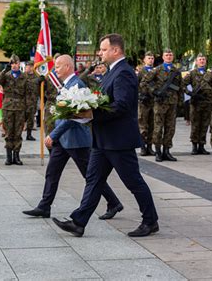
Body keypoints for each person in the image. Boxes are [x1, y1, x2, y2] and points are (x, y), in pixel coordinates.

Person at [52, 34, 159, 238]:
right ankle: (78, 222)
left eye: (103, 49)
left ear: (116, 50)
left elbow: (121, 106)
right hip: (102, 139)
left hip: (118, 140)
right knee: (93, 180)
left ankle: (150, 221)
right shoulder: (113, 71)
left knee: (133, 181)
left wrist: (91, 113)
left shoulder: (124, 73)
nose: (100, 53)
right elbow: (102, 99)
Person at [23, 55, 123, 219]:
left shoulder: (76, 84)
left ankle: (113, 202)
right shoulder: (67, 84)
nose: (55, 70)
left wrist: (53, 135)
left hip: (76, 140)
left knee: (90, 176)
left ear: (68, 67)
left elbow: (74, 116)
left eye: (58, 66)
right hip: (63, 140)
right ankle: (44, 206)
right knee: (52, 173)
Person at [143, 48, 182, 162]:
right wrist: (154, 91)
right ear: (163, 57)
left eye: (170, 55)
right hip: (160, 103)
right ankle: (158, 151)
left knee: (170, 128)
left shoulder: (176, 71)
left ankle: (167, 150)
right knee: (158, 127)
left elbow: (180, 87)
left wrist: (180, 102)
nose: (169, 56)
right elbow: (145, 81)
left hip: (172, 103)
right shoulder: (157, 70)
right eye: (167, 55)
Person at [0, 54, 28, 165]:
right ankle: (8, 156)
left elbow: (27, 94)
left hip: (20, 107)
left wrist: (28, 111)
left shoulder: (24, 76)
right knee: (8, 132)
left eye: (16, 63)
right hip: (8, 107)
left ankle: (16, 156)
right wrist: (4, 70)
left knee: (18, 133)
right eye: (12, 63)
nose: (14, 65)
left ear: (19, 64)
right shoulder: (6, 75)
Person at [183, 53, 212, 155]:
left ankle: (202, 145)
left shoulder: (210, 73)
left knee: (204, 125)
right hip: (196, 103)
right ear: (196, 61)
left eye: (203, 59)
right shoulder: (192, 73)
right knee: (195, 124)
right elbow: (183, 84)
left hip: (207, 102)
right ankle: (194, 146)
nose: (202, 61)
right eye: (200, 59)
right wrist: (189, 93)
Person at [137, 51, 156, 156]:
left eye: (152, 58)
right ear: (144, 60)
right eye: (149, 58)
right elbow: (136, 85)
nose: (151, 60)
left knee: (152, 125)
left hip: (154, 101)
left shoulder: (156, 71)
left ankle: (150, 146)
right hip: (144, 102)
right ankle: (143, 147)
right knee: (143, 125)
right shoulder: (141, 72)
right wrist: (140, 95)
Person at [24, 61, 39, 141]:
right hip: (23, 102)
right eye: (27, 66)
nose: (28, 67)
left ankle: (29, 135)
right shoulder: (23, 76)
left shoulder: (36, 76)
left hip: (33, 102)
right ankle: (17, 134)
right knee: (21, 119)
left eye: (29, 66)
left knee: (30, 119)